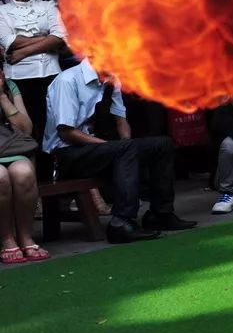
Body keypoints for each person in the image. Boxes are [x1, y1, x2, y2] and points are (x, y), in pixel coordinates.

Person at [43, 58, 196, 243]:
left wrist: (128, 146)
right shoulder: (67, 81)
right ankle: (121, 222)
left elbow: (121, 119)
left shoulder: (110, 79)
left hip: (92, 150)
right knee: (125, 149)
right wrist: (117, 148)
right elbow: (66, 132)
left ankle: (161, 213)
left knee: (161, 145)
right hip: (65, 155)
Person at [0, 0, 68, 180]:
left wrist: (21, 51)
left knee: (53, 131)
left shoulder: (48, 6)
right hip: (18, 78)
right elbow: (8, 41)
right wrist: (43, 39)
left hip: (51, 75)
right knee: (26, 133)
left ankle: (53, 187)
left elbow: (60, 37)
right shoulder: (1, 11)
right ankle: (32, 186)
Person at [0, 68, 48, 264]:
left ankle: (26, 237)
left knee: (24, 172)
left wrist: (2, 96)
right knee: (0, 177)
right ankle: (6, 239)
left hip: (11, 148)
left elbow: (26, 129)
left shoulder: (10, 86)